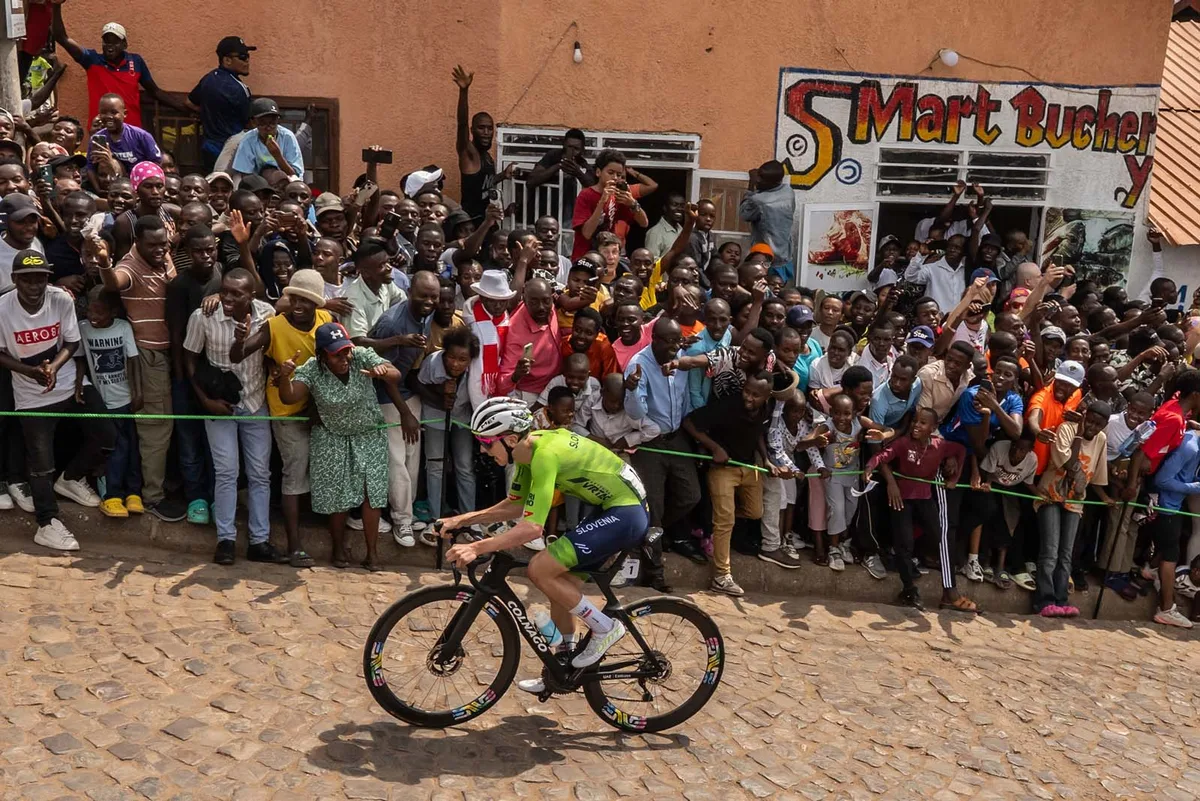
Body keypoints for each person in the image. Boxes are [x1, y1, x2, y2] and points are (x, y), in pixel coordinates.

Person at [439, 397, 650, 688]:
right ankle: (563, 665)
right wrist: (462, 519)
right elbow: (516, 505)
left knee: (540, 568)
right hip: (607, 509)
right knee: (559, 584)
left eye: (486, 442)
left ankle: (605, 627)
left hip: (626, 512)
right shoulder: (527, 453)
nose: (482, 450)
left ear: (510, 439)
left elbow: (532, 528)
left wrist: (476, 547)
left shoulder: (544, 455)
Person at [277, 322, 402, 571]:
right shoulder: (312, 369)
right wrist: (283, 377)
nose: (344, 358)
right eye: (336, 354)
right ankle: (338, 549)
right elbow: (289, 396)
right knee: (338, 495)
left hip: (368, 434)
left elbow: (395, 374)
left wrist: (382, 372)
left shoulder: (360, 356)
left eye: (346, 351)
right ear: (322, 355)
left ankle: (372, 554)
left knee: (371, 492)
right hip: (331, 436)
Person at [0, 250, 102, 551]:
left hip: (68, 383)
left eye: (40, 279)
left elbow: (71, 341)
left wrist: (53, 368)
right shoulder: (2, 308)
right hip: (30, 395)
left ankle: (71, 478)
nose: (34, 286)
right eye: (27, 280)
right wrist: (30, 372)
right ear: (15, 279)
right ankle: (47, 524)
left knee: (106, 433)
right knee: (41, 463)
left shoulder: (60, 299)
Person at [230, 269, 332, 567]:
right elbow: (238, 355)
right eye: (294, 298)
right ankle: (295, 546)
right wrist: (239, 339)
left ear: (316, 303)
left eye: (305, 300)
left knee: (318, 471)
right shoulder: (274, 326)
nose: (298, 304)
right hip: (287, 412)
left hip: (319, 411)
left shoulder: (326, 321)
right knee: (294, 475)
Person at [183, 268, 283, 567]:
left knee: (260, 474)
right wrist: (205, 401)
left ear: (250, 296)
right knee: (226, 472)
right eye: (224, 291)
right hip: (219, 404)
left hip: (255, 402)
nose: (227, 297)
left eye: (236, 294)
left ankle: (259, 541)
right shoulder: (203, 317)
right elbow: (189, 358)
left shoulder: (267, 315)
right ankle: (225, 540)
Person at [96, 216, 186, 522]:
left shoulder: (162, 255)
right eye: (153, 245)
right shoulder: (130, 266)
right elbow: (113, 282)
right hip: (150, 355)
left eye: (164, 244)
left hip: (171, 353)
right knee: (155, 428)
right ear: (137, 243)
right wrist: (104, 263)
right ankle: (153, 497)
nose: (161, 250)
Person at [683, 370, 775, 596]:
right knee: (725, 521)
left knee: (755, 512)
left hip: (749, 467)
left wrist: (766, 460)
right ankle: (721, 576)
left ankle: (714, 526)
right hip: (723, 469)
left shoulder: (767, 408)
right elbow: (689, 422)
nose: (748, 398)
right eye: (747, 391)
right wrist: (715, 448)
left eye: (755, 395)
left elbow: (759, 432)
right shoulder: (727, 406)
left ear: (767, 396)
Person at [866, 407, 967, 611]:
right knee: (904, 544)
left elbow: (961, 451)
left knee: (938, 536)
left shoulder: (939, 445)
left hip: (924, 498)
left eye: (922, 423)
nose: (916, 426)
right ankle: (909, 589)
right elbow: (882, 456)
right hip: (901, 499)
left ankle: (935, 579)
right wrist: (869, 467)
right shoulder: (903, 443)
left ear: (933, 427)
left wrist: (955, 479)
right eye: (915, 421)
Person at [367, 270, 439, 546]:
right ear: (409, 293)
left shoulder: (427, 314)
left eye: (434, 296)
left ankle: (407, 511)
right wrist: (405, 414)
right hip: (387, 396)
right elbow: (384, 375)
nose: (429, 302)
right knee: (396, 460)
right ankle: (401, 521)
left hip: (409, 390)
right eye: (423, 296)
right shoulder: (392, 324)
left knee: (412, 458)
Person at [625, 317, 703, 573]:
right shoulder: (638, 365)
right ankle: (654, 571)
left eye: (677, 341)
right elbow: (636, 414)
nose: (674, 346)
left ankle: (653, 533)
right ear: (654, 339)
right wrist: (632, 390)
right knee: (654, 505)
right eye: (669, 341)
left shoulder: (682, 358)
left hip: (677, 437)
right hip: (650, 442)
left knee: (691, 495)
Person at [1032, 402, 1113, 618]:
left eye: (1098, 424)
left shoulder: (1101, 439)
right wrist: (1078, 434)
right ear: (1084, 416)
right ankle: (1044, 601)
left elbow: (1096, 477)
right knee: (1050, 552)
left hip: (1075, 501)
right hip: (1051, 495)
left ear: (1104, 425)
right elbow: (1068, 464)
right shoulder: (1067, 428)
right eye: (1090, 421)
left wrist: (1105, 498)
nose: (1092, 427)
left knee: (1066, 554)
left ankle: (1061, 600)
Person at [51, 12, 188, 128]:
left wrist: (184, 108)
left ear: (124, 44)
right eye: (106, 41)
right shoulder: (92, 60)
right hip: (102, 130)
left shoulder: (136, 61)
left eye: (115, 41)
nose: (110, 46)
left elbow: (155, 91)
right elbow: (61, 38)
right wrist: (56, 5)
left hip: (131, 132)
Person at [79, 287, 143, 518]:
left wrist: (137, 392)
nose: (93, 317)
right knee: (116, 448)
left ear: (113, 312)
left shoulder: (123, 327)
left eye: (99, 312)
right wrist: (79, 384)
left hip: (124, 400)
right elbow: (80, 358)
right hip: (102, 401)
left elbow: (133, 360)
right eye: (90, 311)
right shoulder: (83, 329)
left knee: (131, 448)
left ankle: (133, 493)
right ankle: (113, 495)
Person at [414, 325, 478, 533]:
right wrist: (440, 395)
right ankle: (436, 517)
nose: (456, 364)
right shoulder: (432, 362)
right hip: (435, 416)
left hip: (462, 418)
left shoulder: (476, 368)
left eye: (462, 359)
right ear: (444, 352)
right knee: (435, 465)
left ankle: (468, 519)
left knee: (464, 465)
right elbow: (419, 384)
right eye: (451, 357)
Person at [452, 65, 514, 222]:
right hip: (471, 224)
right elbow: (462, 124)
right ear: (472, 130)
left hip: (487, 222)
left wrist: (503, 175)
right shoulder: (469, 153)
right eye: (481, 128)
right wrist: (464, 91)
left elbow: (484, 184)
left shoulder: (486, 156)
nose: (486, 132)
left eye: (489, 128)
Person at [188, 36, 254, 172]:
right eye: (242, 57)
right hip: (233, 152)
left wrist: (204, 114)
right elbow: (249, 122)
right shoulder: (239, 88)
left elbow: (188, 102)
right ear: (227, 60)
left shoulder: (208, 79)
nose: (247, 61)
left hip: (209, 149)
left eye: (247, 56)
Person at [571, 148, 649, 259]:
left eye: (619, 175)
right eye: (611, 173)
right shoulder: (586, 195)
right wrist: (602, 201)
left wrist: (632, 203)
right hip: (585, 258)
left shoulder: (617, 196)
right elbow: (587, 233)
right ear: (598, 172)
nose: (615, 178)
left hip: (607, 259)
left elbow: (644, 223)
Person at [497, 279, 561, 402]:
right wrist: (516, 375)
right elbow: (502, 384)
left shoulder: (551, 307)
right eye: (534, 302)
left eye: (546, 301)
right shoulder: (515, 332)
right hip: (530, 393)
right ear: (525, 300)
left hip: (556, 384)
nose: (541, 307)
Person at [739, 160, 795, 281]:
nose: (757, 180)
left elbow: (744, 214)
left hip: (766, 260)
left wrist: (751, 185)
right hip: (785, 257)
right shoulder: (789, 192)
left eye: (761, 179)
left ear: (775, 182)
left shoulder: (759, 201)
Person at [86, 93, 162, 179]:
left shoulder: (142, 136)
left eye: (114, 112)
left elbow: (156, 164)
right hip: (110, 184)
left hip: (137, 182)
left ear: (125, 113)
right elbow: (90, 168)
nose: (109, 116)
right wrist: (98, 188)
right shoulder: (96, 139)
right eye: (104, 112)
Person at [525, 128, 595, 220]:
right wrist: (558, 166)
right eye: (569, 147)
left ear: (582, 150)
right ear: (564, 145)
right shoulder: (553, 156)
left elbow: (593, 186)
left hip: (567, 215)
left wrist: (578, 172)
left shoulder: (582, 163)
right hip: (543, 210)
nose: (572, 151)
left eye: (576, 148)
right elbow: (531, 181)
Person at [232, 98, 303, 180]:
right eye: (262, 123)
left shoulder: (287, 137)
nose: (268, 128)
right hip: (258, 183)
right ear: (254, 122)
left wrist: (277, 155)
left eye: (272, 123)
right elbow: (246, 176)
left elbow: (295, 175)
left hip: (285, 182)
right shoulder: (248, 140)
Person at [645, 193, 685, 261]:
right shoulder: (655, 233)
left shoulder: (682, 230)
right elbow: (651, 261)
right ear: (665, 208)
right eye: (675, 205)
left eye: (682, 206)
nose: (679, 209)